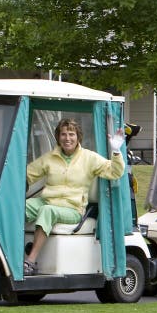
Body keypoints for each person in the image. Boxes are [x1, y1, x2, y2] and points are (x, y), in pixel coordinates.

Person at [24, 118, 126, 275]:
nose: (67, 138)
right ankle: (8, 255)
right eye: (63, 134)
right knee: (17, 208)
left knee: (47, 211)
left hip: (72, 209)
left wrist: (116, 151)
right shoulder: (50, 158)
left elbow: (115, 172)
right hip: (48, 201)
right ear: (58, 137)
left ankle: (30, 262)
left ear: (78, 137)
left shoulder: (89, 158)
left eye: (71, 134)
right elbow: (26, 174)